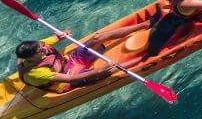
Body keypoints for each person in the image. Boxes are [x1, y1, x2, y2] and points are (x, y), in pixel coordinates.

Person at [15, 22, 149, 92]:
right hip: (67, 80)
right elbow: (71, 78)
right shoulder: (36, 73)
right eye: (40, 50)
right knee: (110, 70)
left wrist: (62, 34)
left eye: (41, 45)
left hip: (70, 61)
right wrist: (100, 70)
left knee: (98, 38)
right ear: (32, 58)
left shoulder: (37, 47)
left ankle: (144, 25)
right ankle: (146, 57)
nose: (44, 47)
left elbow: (55, 38)